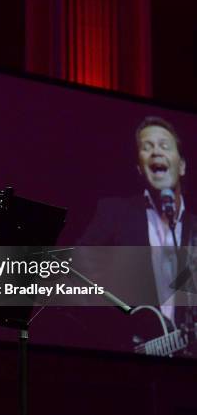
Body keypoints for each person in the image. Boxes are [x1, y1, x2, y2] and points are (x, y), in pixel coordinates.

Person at [77, 116, 196, 346]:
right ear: (139, 168)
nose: (156, 152)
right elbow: (77, 270)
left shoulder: (195, 232)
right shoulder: (115, 214)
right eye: (147, 147)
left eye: (164, 145)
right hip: (127, 358)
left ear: (181, 166)